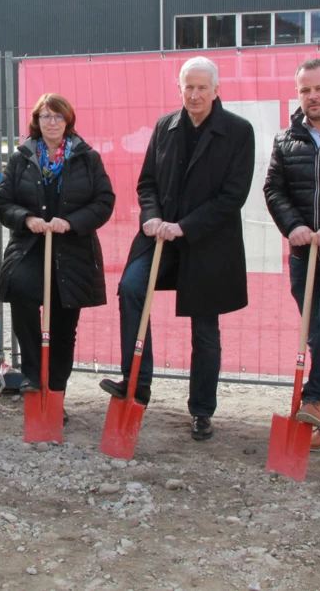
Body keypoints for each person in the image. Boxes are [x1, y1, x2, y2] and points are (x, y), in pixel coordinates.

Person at [103, 56, 255, 441]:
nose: (195, 94)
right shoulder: (165, 126)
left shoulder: (238, 131)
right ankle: (137, 383)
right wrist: (151, 217)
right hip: (159, 238)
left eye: (202, 87)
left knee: (205, 331)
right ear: (179, 88)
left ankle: (202, 410)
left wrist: (184, 227)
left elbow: (232, 197)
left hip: (207, 244)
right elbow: (147, 183)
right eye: (188, 86)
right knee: (132, 288)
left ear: (216, 90)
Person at [0, 94, 115, 412]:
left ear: (68, 121)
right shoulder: (22, 157)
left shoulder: (87, 157)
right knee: (19, 288)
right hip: (30, 247)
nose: (51, 123)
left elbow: (104, 202)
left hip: (73, 250)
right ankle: (33, 374)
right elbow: (2, 203)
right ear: (36, 121)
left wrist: (71, 223)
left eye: (58, 117)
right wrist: (27, 219)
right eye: (45, 116)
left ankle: (55, 393)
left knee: (63, 324)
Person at [264, 57, 320, 452]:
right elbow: (274, 190)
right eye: (305, 90)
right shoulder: (286, 139)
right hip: (304, 253)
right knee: (318, 335)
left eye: (319, 88)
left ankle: (314, 398)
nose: (312, 96)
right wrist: (294, 227)